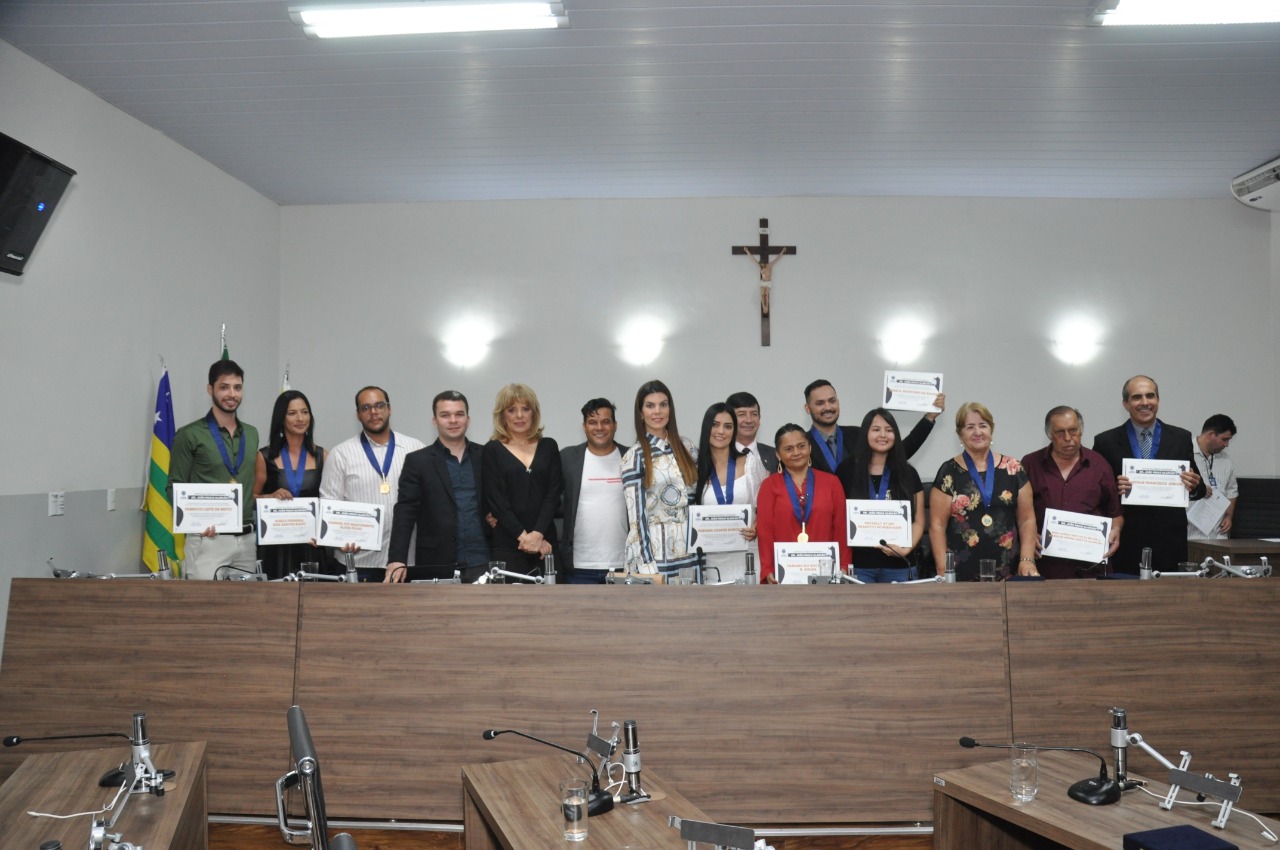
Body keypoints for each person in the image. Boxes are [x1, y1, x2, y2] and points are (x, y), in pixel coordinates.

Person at [1093, 375, 1205, 573]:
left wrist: (1194, 484)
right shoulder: (1105, 442)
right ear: (1125, 404)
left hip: (1169, 541)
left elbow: (1199, 489)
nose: (1145, 403)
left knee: (1170, 601)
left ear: (1158, 400)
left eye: (1150, 396)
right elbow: (1095, 493)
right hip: (1126, 539)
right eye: (1137, 397)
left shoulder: (1181, 437)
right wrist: (1114, 488)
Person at [319, 386, 427, 576]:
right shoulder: (341, 454)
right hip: (358, 563)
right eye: (366, 408)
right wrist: (338, 538)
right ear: (358, 415)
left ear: (389, 409)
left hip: (407, 560)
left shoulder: (416, 449)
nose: (374, 412)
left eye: (379, 405)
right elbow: (329, 506)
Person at [169, 359, 260, 580]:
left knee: (245, 609)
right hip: (209, 540)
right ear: (210, 389)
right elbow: (174, 487)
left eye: (237, 387)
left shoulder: (252, 433)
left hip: (247, 540)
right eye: (224, 387)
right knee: (204, 610)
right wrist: (195, 523)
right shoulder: (189, 434)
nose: (232, 394)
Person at [386, 391, 490, 582]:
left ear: (468, 419)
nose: (453, 420)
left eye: (459, 414)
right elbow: (405, 512)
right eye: (445, 415)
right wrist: (397, 559)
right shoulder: (417, 461)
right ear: (434, 421)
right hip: (436, 563)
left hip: (484, 561)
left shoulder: (487, 456)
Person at [929, 402, 1037, 581]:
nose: (977, 432)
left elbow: (1027, 519)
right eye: (970, 427)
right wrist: (943, 569)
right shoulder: (949, 471)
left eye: (983, 425)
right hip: (960, 570)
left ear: (991, 430)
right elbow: (936, 526)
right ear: (960, 435)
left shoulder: (1013, 468)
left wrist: (1027, 559)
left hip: (1008, 569)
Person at [1021, 406, 1122, 579]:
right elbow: (1020, 513)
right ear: (1049, 434)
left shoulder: (1100, 465)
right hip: (1045, 567)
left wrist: (1116, 530)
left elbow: (1115, 513)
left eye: (1073, 431)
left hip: (1091, 570)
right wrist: (1030, 536)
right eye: (1060, 432)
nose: (1068, 438)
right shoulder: (1030, 464)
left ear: (1081, 430)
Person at [835, 408, 925, 583]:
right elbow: (838, 520)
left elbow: (919, 521)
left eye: (889, 430)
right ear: (865, 433)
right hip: (859, 567)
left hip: (900, 566)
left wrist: (905, 549)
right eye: (876, 429)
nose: (883, 435)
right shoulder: (846, 471)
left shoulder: (908, 472)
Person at [482, 383, 563, 577]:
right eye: (512, 410)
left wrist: (537, 535)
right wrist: (525, 538)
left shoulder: (549, 446)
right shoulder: (492, 449)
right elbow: (496, 500)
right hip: (509, 545)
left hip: (546, 546)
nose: (519, 415)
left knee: (553, 606)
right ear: (502, 415)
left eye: (525, 409)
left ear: (533, 414)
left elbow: (553, 494)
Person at [621, 379, 699, 575]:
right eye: (650, 406)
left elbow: (698, 500)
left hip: (690, 553)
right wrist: (647, 565)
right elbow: (636, 519)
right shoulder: (634, 456)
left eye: (663, 405)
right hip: (654, 557)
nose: (657, 411)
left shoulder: (687, 448)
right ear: (641, 413)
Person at [756, 424, 850, 583]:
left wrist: (844, 565)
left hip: (826, 573)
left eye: (801, 446)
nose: (796, 453)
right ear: (778, 455)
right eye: (788, 449)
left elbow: (841, 528)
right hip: (784, 575)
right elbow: (765, 532)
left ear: (810, 448)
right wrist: (768, 569)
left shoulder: (832, 483)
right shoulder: (769, 486)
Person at [253, 389, 328, 579]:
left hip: (313, 545)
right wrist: (269, 497)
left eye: (304, 412)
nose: (300, 418)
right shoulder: (264, 456)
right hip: (275, 546)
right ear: (281, 418)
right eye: (292, 413)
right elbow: (251, 498)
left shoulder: (322, 456)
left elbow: (331, 502)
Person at [803, 379, 944, 475]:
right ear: (808, 409)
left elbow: (900, 452)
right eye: (820, 403)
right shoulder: (800, 445)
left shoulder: (858, 435)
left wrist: (929, 418)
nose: (828, 407)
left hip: (861, 515)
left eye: (832, 401)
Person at [694, 402, 767, 583]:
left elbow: (765, 506)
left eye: (728, 426)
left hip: (750, 557)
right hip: (713, 562)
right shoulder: (695, 470)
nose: (721, 431)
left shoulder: (751, 463)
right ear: (706, 428)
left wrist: (756, 527)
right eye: (715, 425)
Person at [560, 398, 629, 583]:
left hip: (625, 565)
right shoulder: (567, 458)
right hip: (579, 567)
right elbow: (547, 498)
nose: (599, 427)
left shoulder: (631, 457)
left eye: (605, 421)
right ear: (584, 426)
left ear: (615, 425)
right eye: (592, 422)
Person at [1188, 414, 1238, 541]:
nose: (1227, 445)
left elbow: (1231, 491)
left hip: (1219, 536)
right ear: (1210, 435)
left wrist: (1228, 516)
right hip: (1190, 535)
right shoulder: (1184, 453)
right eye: (1224, 439)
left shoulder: (1226, 460)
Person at [726, 391, 777, 473]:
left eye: (754, 414)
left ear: (759, 419)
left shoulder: (775, 455)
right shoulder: (719, 455)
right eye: (741, 414)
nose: (749, 420)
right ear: (729, 419)